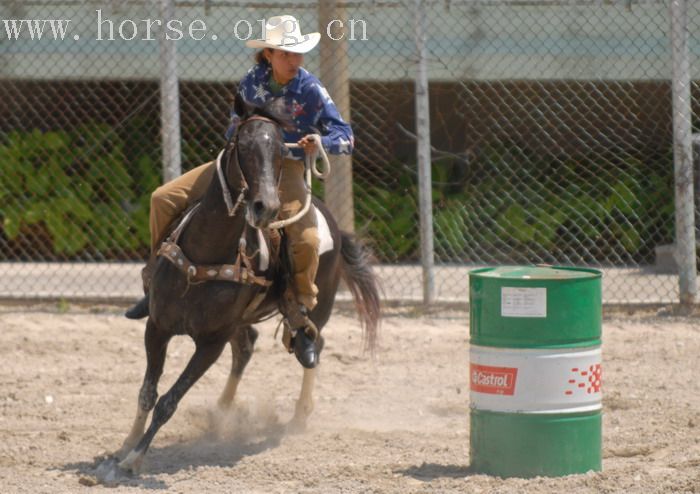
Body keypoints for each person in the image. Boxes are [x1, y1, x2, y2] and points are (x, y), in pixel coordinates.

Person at [124, 15, 354, 368]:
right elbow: (235, 127)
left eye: (298, 54)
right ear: (268, 54)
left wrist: (319, 141)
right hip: (242, 163)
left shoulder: (311, 89)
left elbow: (346, 137)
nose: (296, 61)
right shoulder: (251, 82)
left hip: (287, 167)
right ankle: (156, 277)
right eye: (288, 54)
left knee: (306, 239)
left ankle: (300, 315)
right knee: (162, 198)